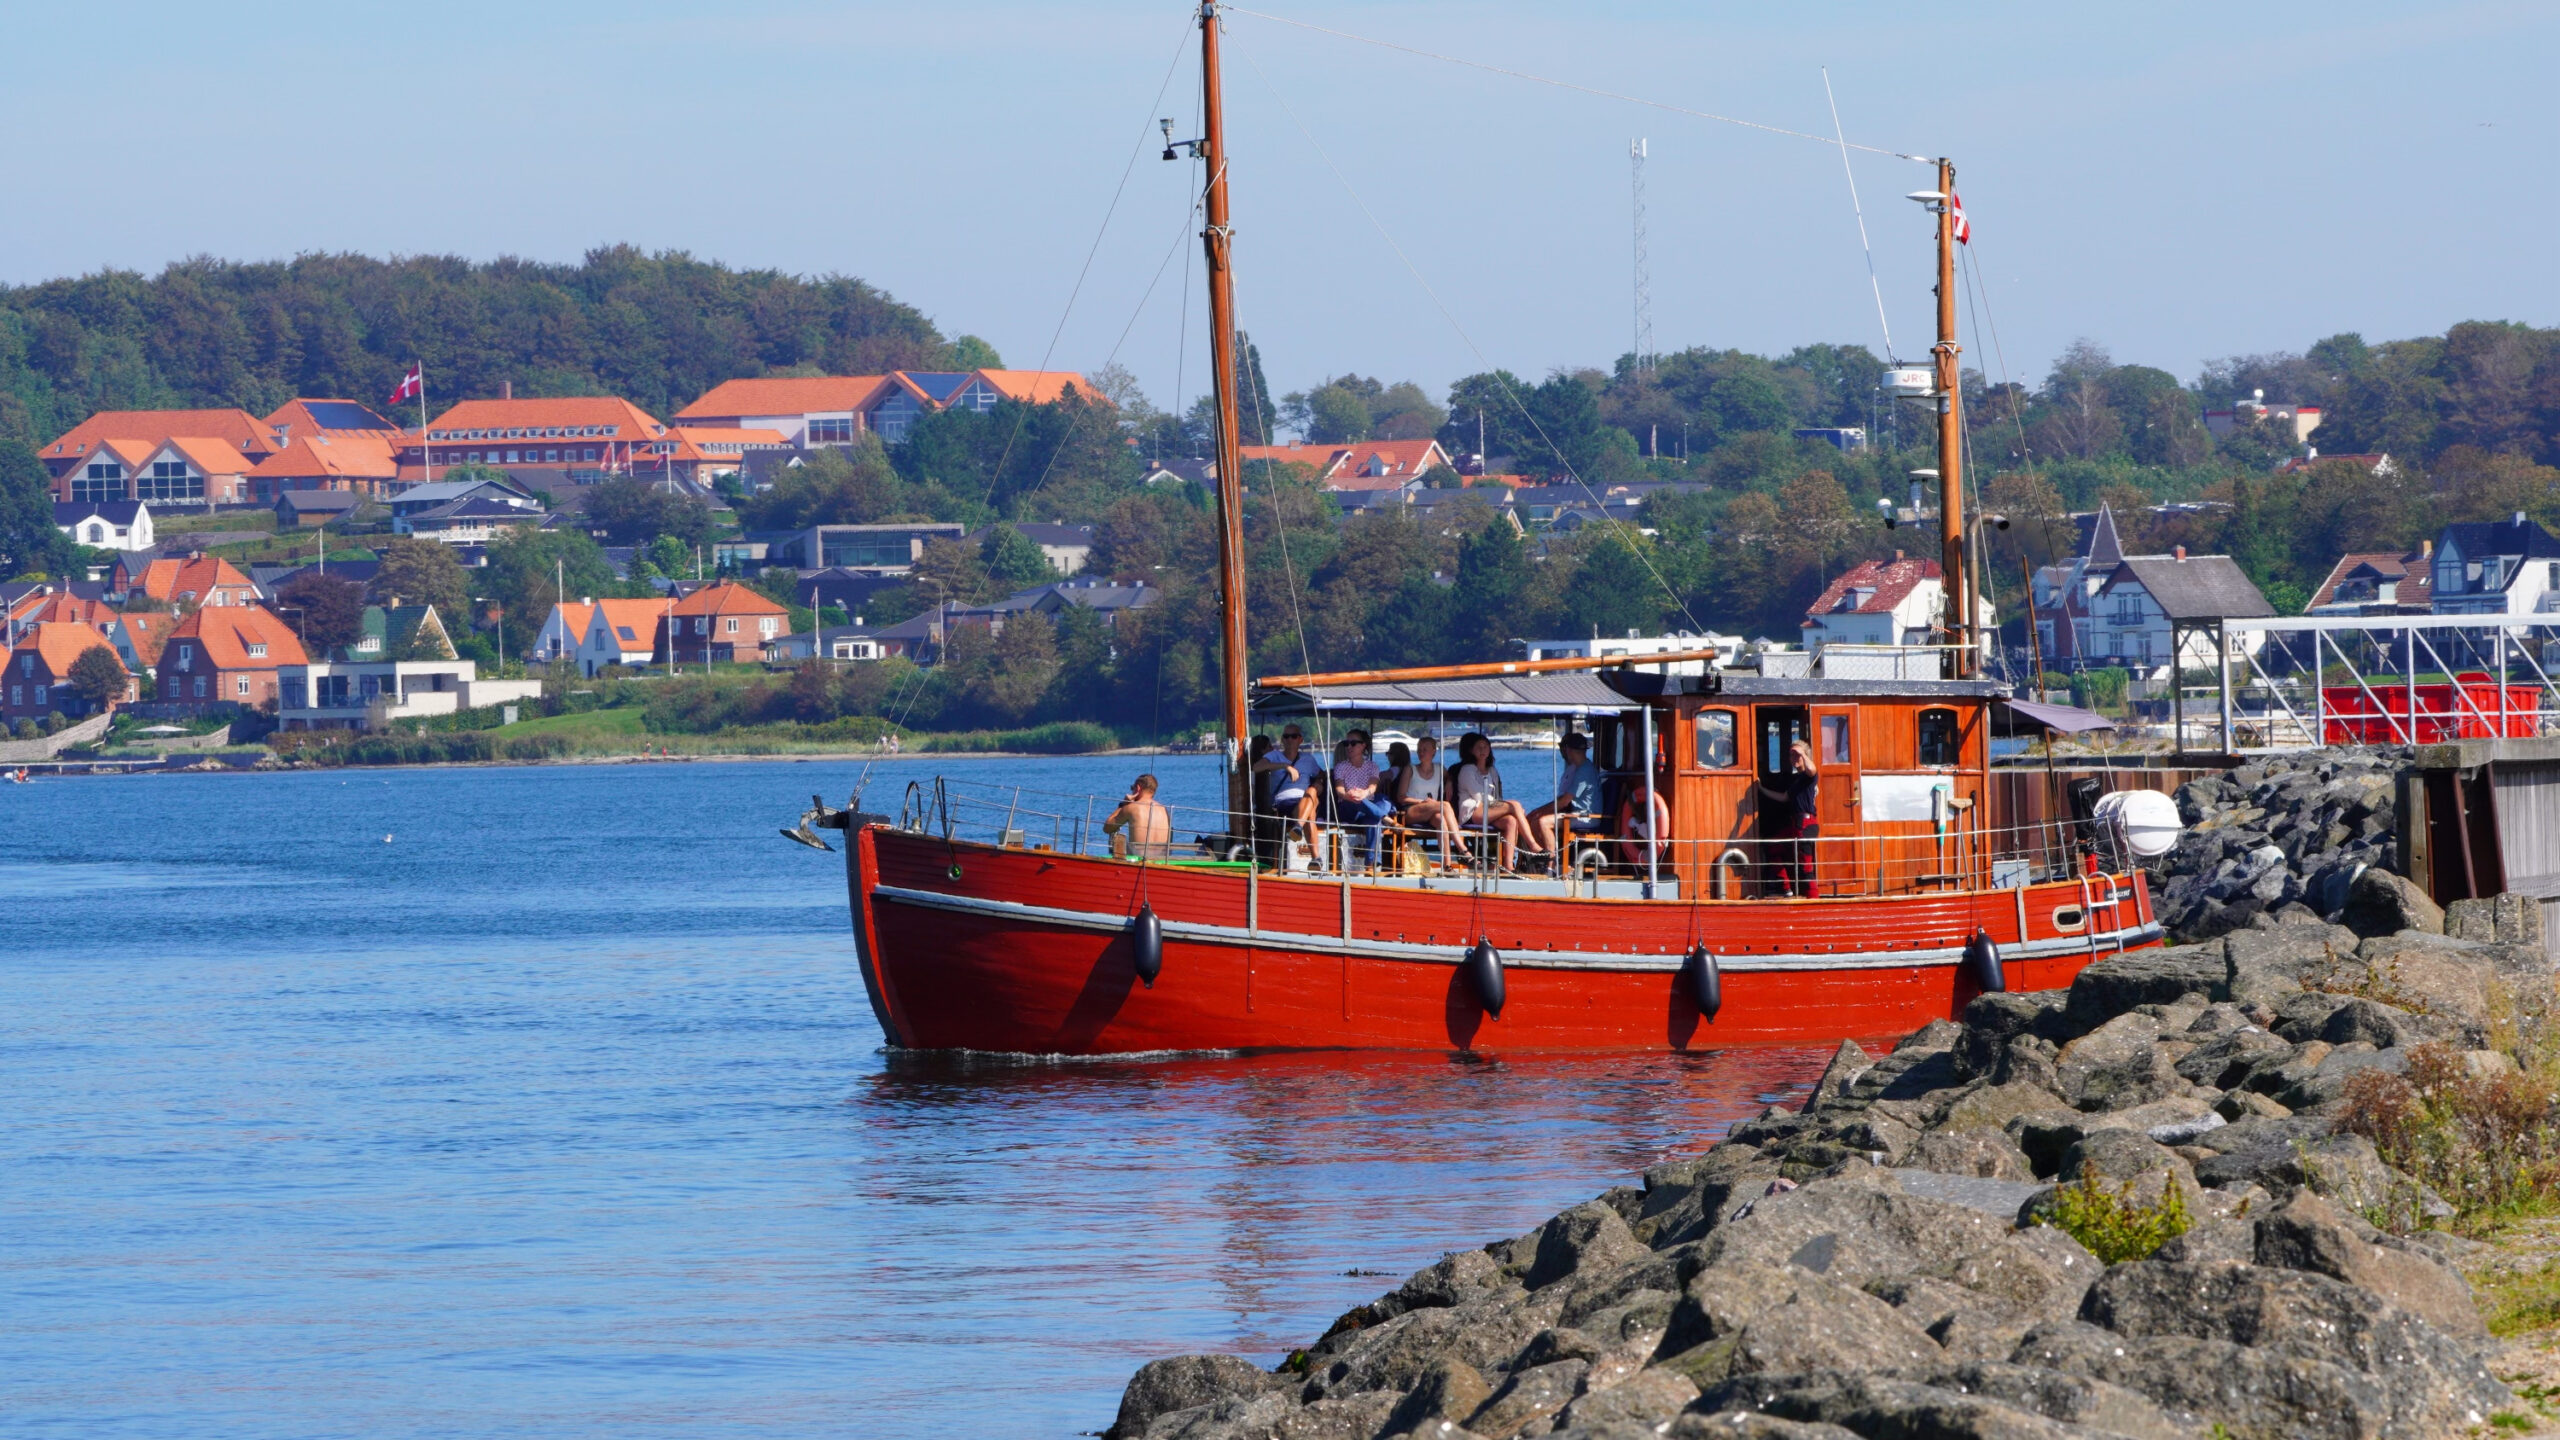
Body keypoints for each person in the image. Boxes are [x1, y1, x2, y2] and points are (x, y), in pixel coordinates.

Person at [1453, 732, 1546, 872]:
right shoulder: (1467, 770)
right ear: (1471, 750)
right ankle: (1533, 846)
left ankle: (1508, 865)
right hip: (1473, 810)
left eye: (1485, 747)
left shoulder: (1492, 771)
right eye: (1479, 747)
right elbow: (1479, 797)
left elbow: (1496, 796)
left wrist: (1503, 808)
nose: (1482, 750)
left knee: (1511, 821)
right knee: (1514, 805)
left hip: (1488, 810)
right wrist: (1506, 807)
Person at [1756, 738, 1820, 896]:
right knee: (1774, 845)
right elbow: (1784, 797)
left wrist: (1803, 754)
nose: (1794, 758)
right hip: (1796, 822)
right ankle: (1786, 889)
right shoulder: (1797, 779)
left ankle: (1814, 901)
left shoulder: (1809, 776)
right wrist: (1761, 789)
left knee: (1806, 865)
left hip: (1806, 823)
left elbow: (1812, 770)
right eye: (1791, 755)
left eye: (1796, 754)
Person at [1530, 732, 1609, 859]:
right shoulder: (1582, 768)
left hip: (1586, 817)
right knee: (1537, 820)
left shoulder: (1584, 771)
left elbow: (1564, 801)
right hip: (1579, 814)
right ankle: (1542, 858)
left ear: (1569, 750)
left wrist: (1539, 811)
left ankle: (1550, 862)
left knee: (1543, 822)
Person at [1395, 734, 1467, 869]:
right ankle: (1462, 848)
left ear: (1434, 751)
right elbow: (1401, 797)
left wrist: (1449, 782)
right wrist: (1422, 802)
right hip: (1411, 810)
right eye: (1419, 749)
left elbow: (1449, 775)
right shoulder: (1410, 769)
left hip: (1432, 810)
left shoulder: (1440, 768)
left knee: (1441, 820)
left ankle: (1447, 864)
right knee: (1444, 805)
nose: (1421, 752)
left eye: (1424, 749)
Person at [1254, 724, 1324, 859]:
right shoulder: (1274, 756)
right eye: (1286, 736)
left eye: (1293, 736)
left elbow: (1321, 774)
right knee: (1310, 814)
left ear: (1300, 740)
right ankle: (1316, 859)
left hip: (1305, 798)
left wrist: (1319, 782)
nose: (1289, 740)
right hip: (1285, 803)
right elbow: (1256, 767)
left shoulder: (1308, 759)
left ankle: (1298, 827)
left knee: (1311, 790)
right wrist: (1285, 766)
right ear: (1282, 740)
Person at [1330, 730, 1394, 869]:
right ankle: (1384, 817)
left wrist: (1363, 793)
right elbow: (1340, 791)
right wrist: (1350, 795)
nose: (1349, 747)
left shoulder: (1372, 766)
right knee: (1355, 799)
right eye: (1347, 743)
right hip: (1347, 808)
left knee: (1374, 821)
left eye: (1353, 743)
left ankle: (1371, 864)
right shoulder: (1341, 767)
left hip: (1366, 809)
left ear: (1363, 746)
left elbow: (1372, 787)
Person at [1104, 773, 1172, 859]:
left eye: (1132, 788)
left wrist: (1123, 804)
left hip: (1139, 861)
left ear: (1138, 788)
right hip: (1161, 861)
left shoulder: (1131, 808)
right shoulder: (1165, 810)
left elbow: (1107, 828)